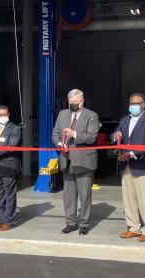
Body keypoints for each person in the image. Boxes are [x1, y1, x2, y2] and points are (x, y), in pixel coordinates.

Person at [111, 93, 145, 242]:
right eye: (131, 103)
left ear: (143, 105)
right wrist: (115, 135)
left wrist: (131, 154)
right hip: (126, 167)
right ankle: (133, 228)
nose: (133, 106)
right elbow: (113, 134)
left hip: (144, 166)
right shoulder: (124, 120)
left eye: (137, 103)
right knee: (129, 200)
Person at [52, 89, 99, 235]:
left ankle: (84, 224)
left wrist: (74, 134)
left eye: (76, 102)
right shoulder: (62, 114)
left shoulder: (91, 116)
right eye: (71, 102)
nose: (73, 104)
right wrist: (60, 144)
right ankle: (70, 223)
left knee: (85, 195)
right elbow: (55, 134)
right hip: (67, 160)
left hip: (84, 162)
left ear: (82, 101)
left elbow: (91, 137)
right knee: (69, 195)